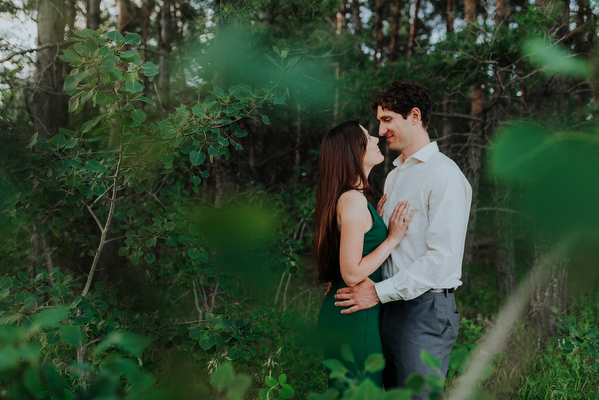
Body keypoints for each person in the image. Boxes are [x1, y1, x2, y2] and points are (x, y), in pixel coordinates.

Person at [334, 80, 472, 399]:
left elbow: (442, 260)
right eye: (380, 122)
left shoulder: (444, 175)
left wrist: (377, 293)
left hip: (425, 309)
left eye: (387, 120)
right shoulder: (396, 175)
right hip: (390, 306)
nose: (381, 131)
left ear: (413, 116)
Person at [315, 121, 413, 390]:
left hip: (347, 312)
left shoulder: (352, 198)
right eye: (367, 136)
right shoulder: (353, 200)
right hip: (354, 316)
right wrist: (392, 238)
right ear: (353, 151)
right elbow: (351, 272)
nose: (376, 137)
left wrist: (377, 224)